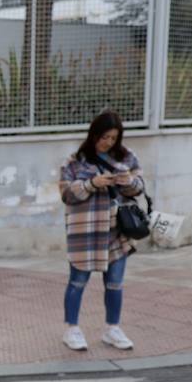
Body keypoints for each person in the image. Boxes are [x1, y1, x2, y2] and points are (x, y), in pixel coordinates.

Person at [58, 110, 146, 351]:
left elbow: (139, 187)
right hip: (84, 232)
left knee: (115, 283)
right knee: (77, 281)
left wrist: (127, 181)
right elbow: (66, 194)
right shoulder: (74, 161)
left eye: (113, 138)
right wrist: (90, 184)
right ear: (94, 134)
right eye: (104, 137)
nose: (108, 142)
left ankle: (112, 329)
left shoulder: (127, 157)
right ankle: (72, 329)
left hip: (116, 231)